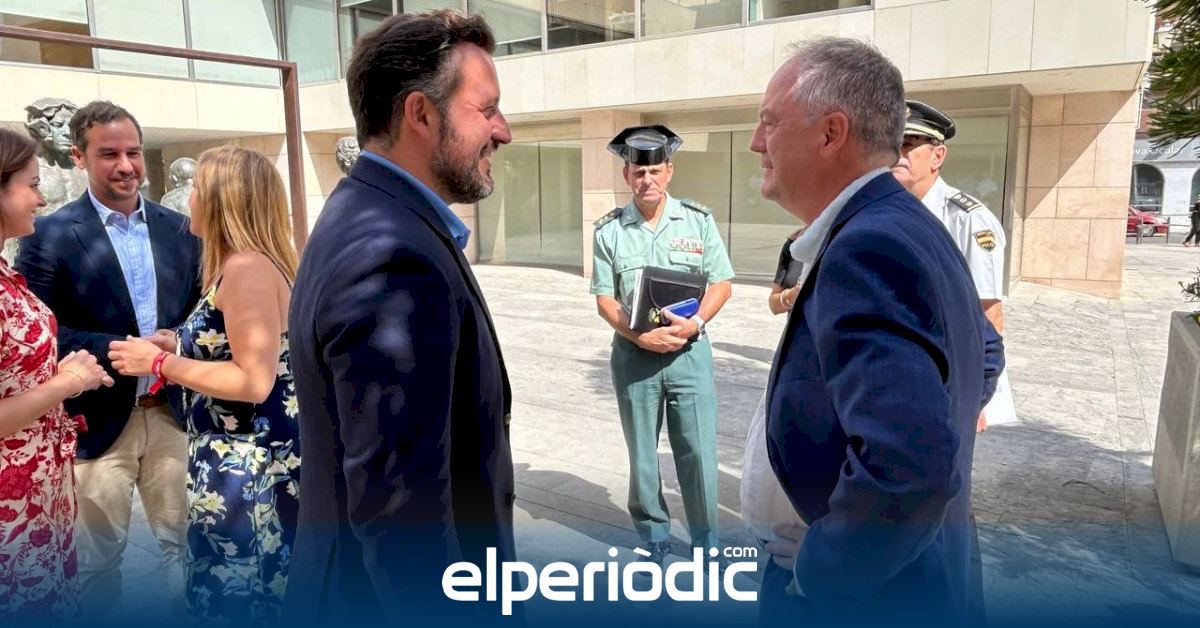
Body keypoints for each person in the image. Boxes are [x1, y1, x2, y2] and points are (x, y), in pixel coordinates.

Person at [750, 38, 1003, 622]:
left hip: (866, 597)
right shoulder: (903, 223)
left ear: (830, 133)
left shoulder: (868, 245)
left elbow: (910, 466)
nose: (757, 142)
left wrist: (822, 573)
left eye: (770, 123)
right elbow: (985, 352)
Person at [285, 10, 515, 622]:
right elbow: (401, 518)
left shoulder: (366, 213)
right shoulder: (391, 256)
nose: (504, 130)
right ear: (421, 113)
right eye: (487, 108)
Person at [15, 100, 202, 617]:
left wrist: (175, 341)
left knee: (186, 550)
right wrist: (125, 351)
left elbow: (200, 311)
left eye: (134, 152)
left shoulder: (181, 228)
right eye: (109, 154)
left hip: (172, 415)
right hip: (96, 423)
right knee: (96, 566)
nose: (126, 166)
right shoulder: (48, 234)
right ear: (79, 157)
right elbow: (40, 331)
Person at [108, 145, 300, 622]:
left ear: (221, 199)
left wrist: (159, 363)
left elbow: (253, 380)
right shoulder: (242, 264)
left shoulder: (247, 268)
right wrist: (179, 343)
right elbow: (236, 348)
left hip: (246, 469)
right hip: (238, 459)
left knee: (239, 597)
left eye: (196, 188)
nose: (187, 197)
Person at [590, 124, 734, 565]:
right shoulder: (609, 231)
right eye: (638, 173)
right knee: (643, 454)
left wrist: (696, 324)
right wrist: (640, 335)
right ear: (627, 176)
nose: (646, 180)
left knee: (698, 451)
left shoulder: (697, 220)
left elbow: (722, 283)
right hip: (635, 358)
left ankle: (706, 541)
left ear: (669, 171)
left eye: (654, 171)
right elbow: (605, 299)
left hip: (689, 355)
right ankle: (653, 534)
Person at [0, 127, 113, 618]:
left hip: (39, 496)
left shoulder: (5, 273)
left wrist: (61, 373)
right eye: (31, 185)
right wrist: (67, 383)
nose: (41, 199)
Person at [893, 100, 1013, 432]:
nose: (898, 154)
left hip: (948, 376)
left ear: (937, 156)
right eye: (892, 144)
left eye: (909, 144)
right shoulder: (890, 211)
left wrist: (974, 396)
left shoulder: (968, 220)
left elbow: (988, 312)